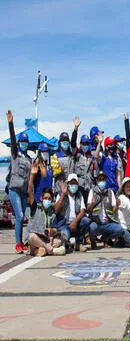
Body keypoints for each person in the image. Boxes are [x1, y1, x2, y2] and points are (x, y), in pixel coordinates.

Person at [24, 164, 66, 257]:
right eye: (45, 198)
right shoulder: (36, 207)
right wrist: (32, 176)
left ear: (51, 200)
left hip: (47, 239)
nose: (47, 200)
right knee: (32, 237)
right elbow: (30, 192)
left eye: (49, 199)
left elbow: (55, 226)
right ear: (41, 198)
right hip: (36, 238)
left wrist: (53, 230)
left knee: (59, 239)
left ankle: (40, 251)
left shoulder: (52, 211)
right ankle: (51, 250)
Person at [6, 110, 32, 253]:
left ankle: (22, 243)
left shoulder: (29, 159)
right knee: (20, 216)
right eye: (21, 142)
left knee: (22, 218)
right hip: (14, 190)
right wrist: (11, 124)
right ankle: (18, 244)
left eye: (25, 142)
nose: (23, 144)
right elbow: (13, 141)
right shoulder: (15, 154)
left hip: (23, 192)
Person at [53, 174, 92, 252]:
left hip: (75, 223)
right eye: (71, 183)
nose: (73, 185)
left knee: (86, 221)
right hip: (64, 223)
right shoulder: (61, 194)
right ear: (68, 184)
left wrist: (75, 221)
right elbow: (56, 210)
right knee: (64, 235)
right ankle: (66, 243)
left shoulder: (79, 195)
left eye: (75, 183)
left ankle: (79, 243)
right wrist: (63, 195)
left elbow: (83, 211)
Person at [87, 171, 124, 250]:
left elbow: (114, 209)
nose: (102, 182)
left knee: (119, 229)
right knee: (92, 227)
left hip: (107, 222)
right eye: (100, 179)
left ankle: (105, 238)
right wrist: (92, 204)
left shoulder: (110, 192)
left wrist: (117, 205)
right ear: (97, 181)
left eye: (103, 180)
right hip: (96, 222)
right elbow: (88, 210)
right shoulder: (92, 191)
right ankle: (93, 241)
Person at [115, 177, 130, 248]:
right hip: (122, 227)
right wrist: (117, 205)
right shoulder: (121, 198)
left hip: (129, 227)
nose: (129, 188)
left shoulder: (129, 200)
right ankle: (118, 241)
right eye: (127, 186)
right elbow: (116, 209)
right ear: (123, 188)